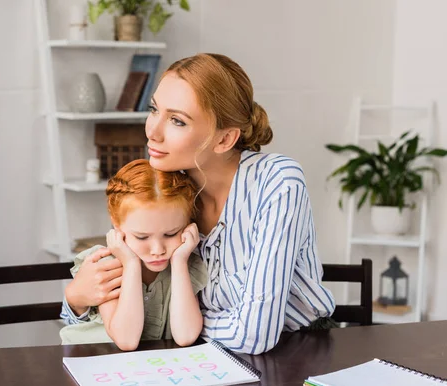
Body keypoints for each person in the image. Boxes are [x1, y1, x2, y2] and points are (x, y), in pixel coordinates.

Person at [61, 53, 336, 355]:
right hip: (199, 355)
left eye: (177, 120)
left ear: (224, 139)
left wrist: (180, 326)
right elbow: (130, 291)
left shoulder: (277, 182)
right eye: (154, 110)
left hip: (297, 351)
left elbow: (255, 335)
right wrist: (76, 298)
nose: (152, 131)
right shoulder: (170, 186)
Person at [59, 159, 208, 350]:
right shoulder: (105, 263)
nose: (157, 250)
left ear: (188, 226)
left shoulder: (185, 262)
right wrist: (130, 264)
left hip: (144, 369)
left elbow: (185, 336)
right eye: (142, 237)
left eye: (171, 234)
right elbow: (126, 340)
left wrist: (179, 262)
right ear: (117, 225)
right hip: (90, 360)